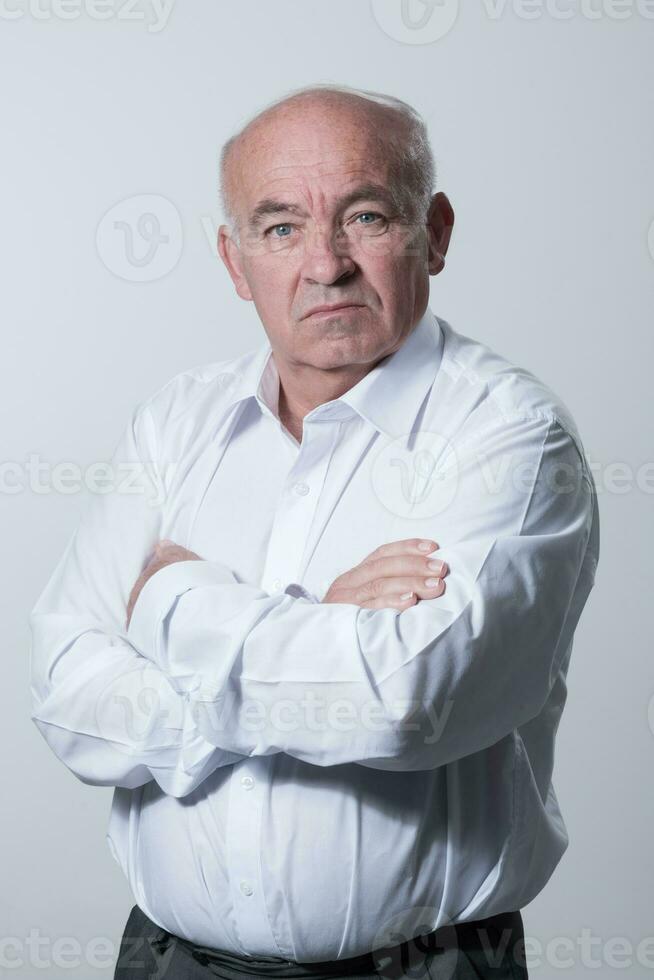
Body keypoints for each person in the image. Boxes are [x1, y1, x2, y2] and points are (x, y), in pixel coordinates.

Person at [29, 83, 599, 980]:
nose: (325, 264)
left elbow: (407, 702)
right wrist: (315, 619)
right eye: (281, 227)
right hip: (168, 959)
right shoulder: (177, 422)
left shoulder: (513, 435)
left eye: (366, 217)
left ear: (436, 231)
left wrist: (177, 604)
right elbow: (67, 698)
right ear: (234, 259)